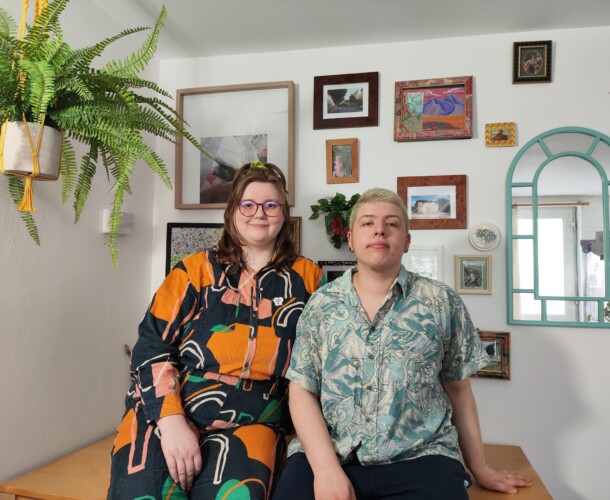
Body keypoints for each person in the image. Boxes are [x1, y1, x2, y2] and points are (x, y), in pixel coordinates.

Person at [273, 188, 531, 499]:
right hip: (330, 454)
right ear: (351, 239)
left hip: (422, 457)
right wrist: (327, 470)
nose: (379, 230)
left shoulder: (441, 302)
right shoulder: (320, 305)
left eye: (392, 223)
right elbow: (302, 391)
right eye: (367, 223)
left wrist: (480, 467)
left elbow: (460, 391)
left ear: (407, 241)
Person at [108, 162, 323, 499]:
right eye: (248, 204)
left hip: (254, 419)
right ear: (232, 210)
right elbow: (151, 346)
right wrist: (170, 420)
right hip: (169, 408)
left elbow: (320, 359)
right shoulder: (194, 270)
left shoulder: (308, 278)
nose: (259, 213)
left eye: (271, 205)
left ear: (284, 213)